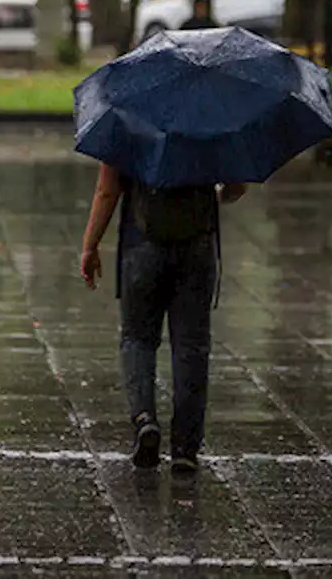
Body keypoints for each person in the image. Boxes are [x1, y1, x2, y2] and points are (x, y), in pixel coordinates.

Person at [79, 163, 246, 473]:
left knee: (137, 339)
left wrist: (90, 245)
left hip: (142, 240)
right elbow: (236, 188)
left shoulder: (128, 116)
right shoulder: (212, 117)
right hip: (198, 244)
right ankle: (185, 447)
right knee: (191, 347)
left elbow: (107, 189)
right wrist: (214, 194)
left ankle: (144, 419)